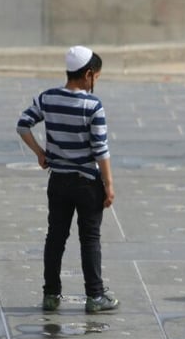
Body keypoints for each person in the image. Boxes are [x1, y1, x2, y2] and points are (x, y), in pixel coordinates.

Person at [17, 45, 119, 314]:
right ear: (88, 74)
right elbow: (100, 149)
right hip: (87, 183)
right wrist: (109, 185)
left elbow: (22, 124)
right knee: (90, 239)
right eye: (96, 76)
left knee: (56, 237)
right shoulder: (93, 106)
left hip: (58, 181)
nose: (95, 81)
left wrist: (40, 153)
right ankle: (95, 297)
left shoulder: (48, 97)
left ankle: (51, 295)